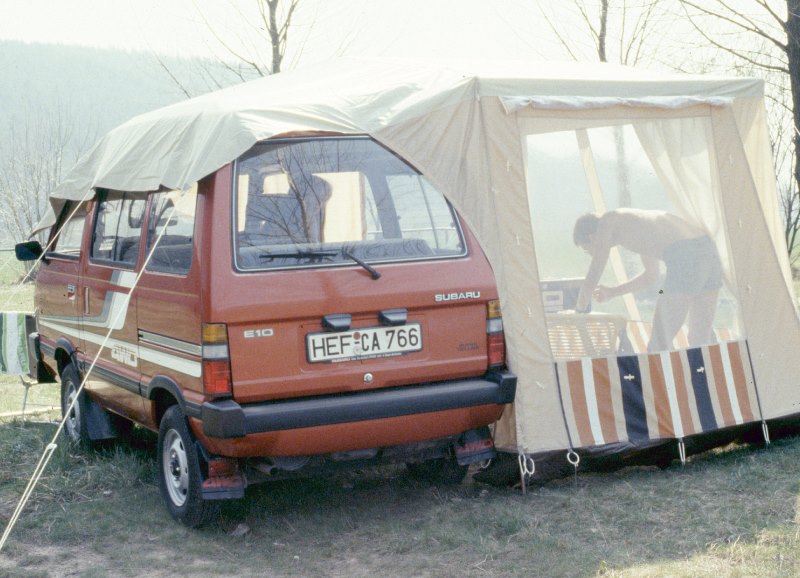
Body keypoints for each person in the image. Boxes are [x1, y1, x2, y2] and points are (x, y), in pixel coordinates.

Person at [573, 208, 722, 352]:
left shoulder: (607, 220)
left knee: (658, 345)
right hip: (709, 251)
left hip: (684, 257)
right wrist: (612, 292)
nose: (591, 255)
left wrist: (579, 309)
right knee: (700, 341)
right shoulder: (636, 226)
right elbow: (651, 276)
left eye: (588, 250)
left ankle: (662, 376)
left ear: (593, 238)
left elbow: (595, 269)